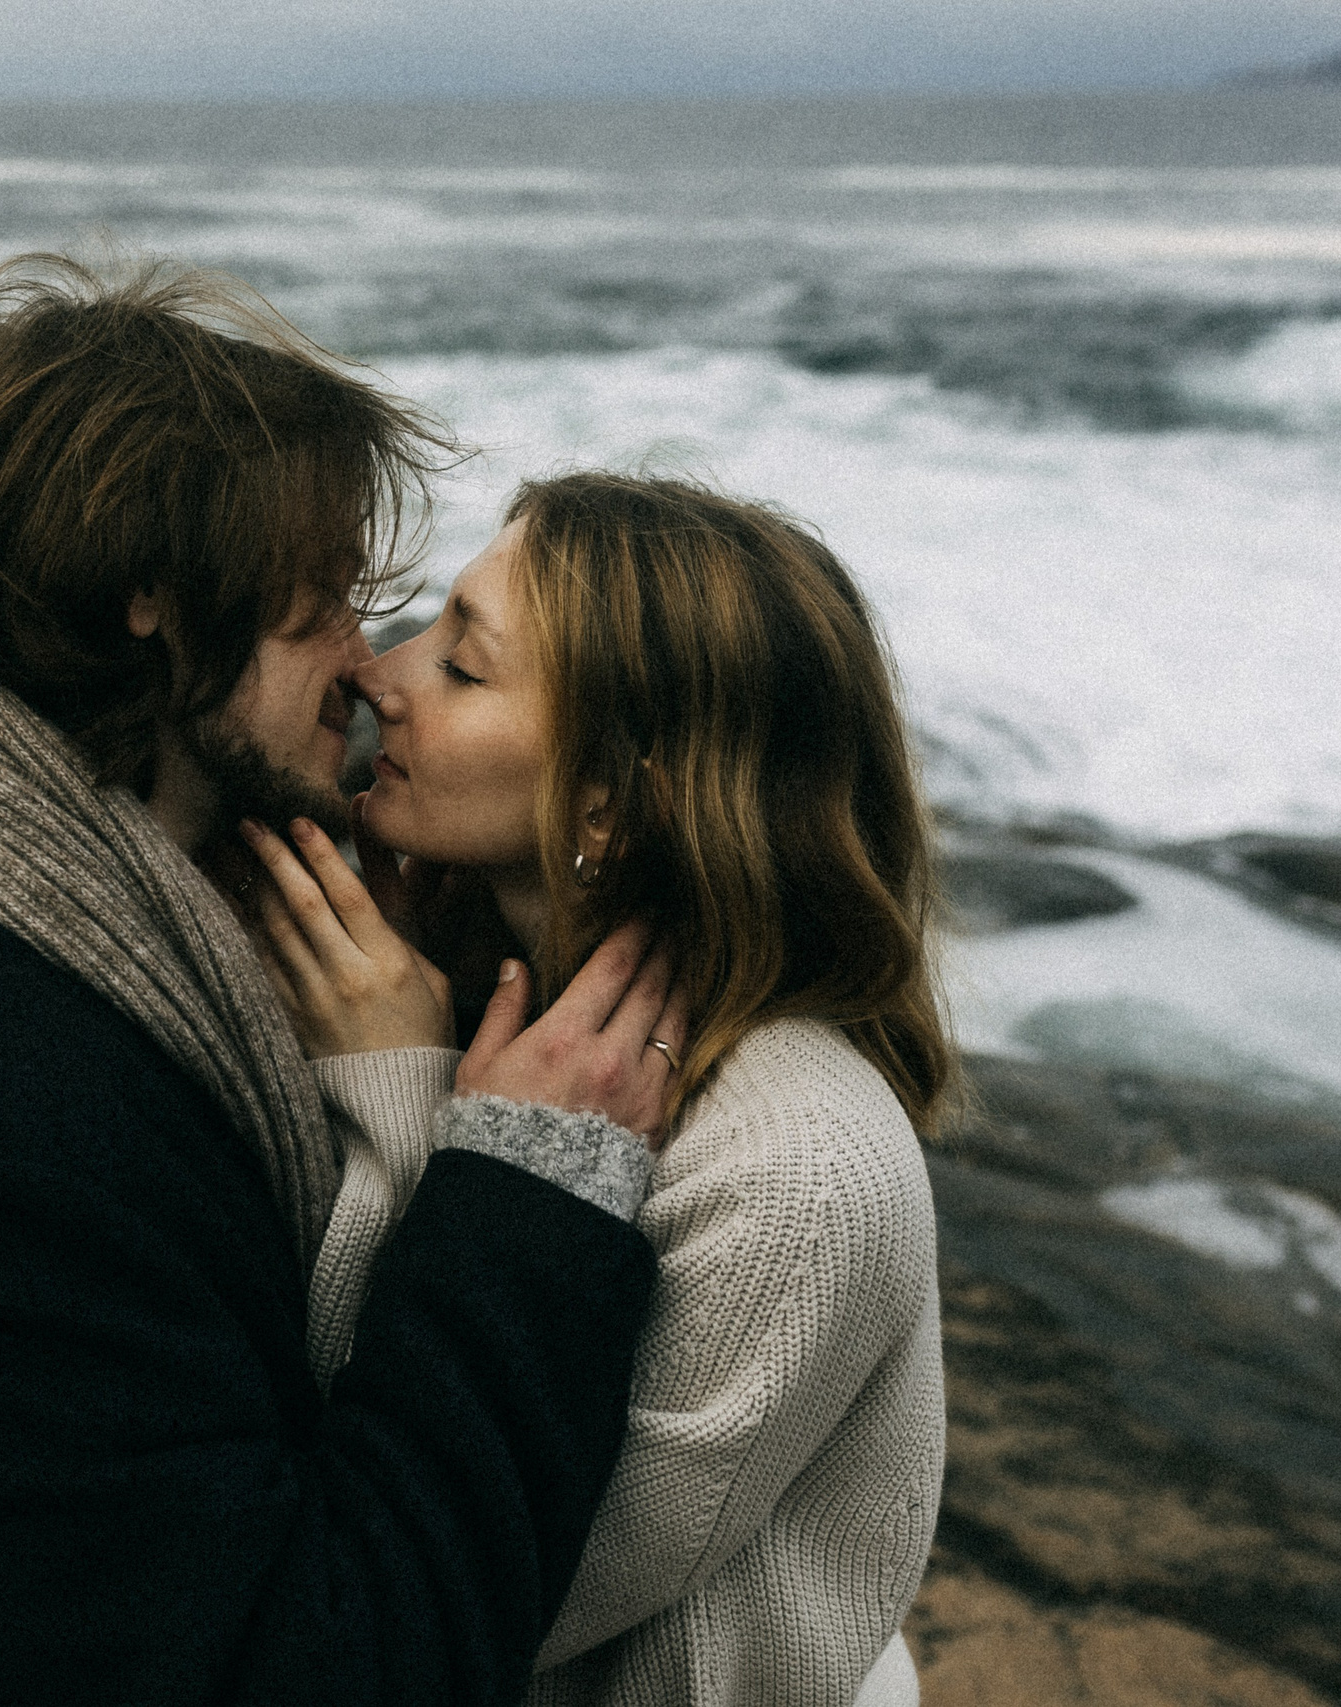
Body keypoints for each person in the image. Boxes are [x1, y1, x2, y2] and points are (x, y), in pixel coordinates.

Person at [0, 256, 696, 1707]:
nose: (364, 664)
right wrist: (526, 1190)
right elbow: (313, 1666)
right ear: (151, 597)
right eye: (322, 602)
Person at [239, 472, 953, 1707]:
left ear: (612, 806)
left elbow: (470, 1589)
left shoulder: (796, 1168)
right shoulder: (488, 995)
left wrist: (405, 1096)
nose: (379, 677)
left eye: (463, 670)